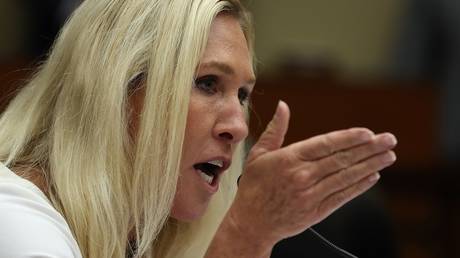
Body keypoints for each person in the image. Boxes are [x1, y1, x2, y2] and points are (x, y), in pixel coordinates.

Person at [0, 0, 397, 257]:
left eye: (242, 95)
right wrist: (245, 234)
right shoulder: (13, 219)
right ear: (117, 90)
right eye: (208, 83)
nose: (239, 127)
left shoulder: (141, 240)